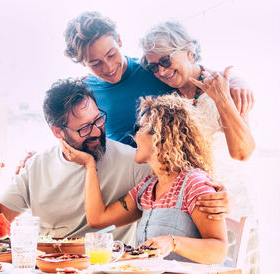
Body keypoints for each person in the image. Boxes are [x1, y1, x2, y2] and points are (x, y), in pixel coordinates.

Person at [0, 79, 229, 245]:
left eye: (98, 120)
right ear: (58, 132)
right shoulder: (37, 166)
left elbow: (184, 176)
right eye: (83, 129)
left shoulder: (136, 162)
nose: (95, 132)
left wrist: (219, 195)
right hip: (50, 265)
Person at [140, 21, 258, 273]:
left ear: (190, 51)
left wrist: (223, 97)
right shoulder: (169, 97)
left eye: (166, 60)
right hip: (194, 214)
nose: (161, 71)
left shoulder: (225, 86)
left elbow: (243, 152)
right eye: (154, 66)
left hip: (230, 206)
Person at [63, 94, 227, 264]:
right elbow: (97, 219)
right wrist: (89, 165)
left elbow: (219, 252)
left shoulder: (195, 183)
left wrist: (172, 242)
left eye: (139, 129)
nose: (133, 137)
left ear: (161, 135)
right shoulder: (148, 188)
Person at [64, 11, 254, 148]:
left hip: (167, 179)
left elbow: (194, 72)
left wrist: (236, 80)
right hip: (124, 182)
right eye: (96, 63)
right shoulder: (85, 91)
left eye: (112, 54)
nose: (108, 67)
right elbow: (73, 135)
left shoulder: (152, 70)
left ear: (119, 41)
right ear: (83, 63)